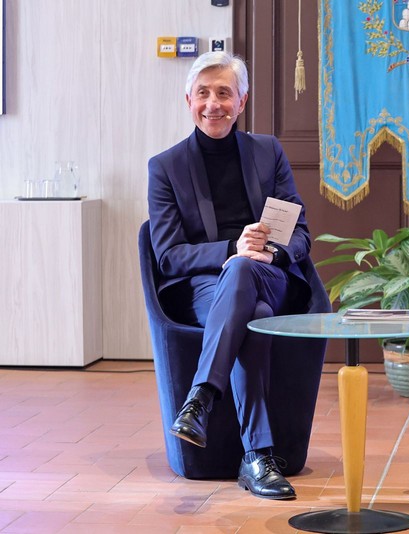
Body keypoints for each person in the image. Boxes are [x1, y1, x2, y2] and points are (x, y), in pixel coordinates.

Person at [147, 51, 321, 500]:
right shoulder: (165, 167)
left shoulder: (267, 151)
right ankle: (258, 457)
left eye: (224, 93)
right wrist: (230, 250)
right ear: (188, 100)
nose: (213, 104)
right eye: (203, 93)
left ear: (241, 101)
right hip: (205, 287)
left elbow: (299, 233)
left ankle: (201, 398)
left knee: (246, 270)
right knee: (253, 316)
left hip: (268, 276)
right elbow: (168, 256)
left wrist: (269, 254)